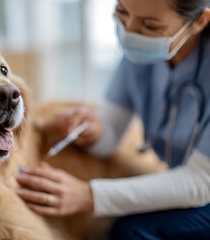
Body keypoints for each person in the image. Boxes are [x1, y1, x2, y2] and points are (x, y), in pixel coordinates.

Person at [16, 0, 210, 239]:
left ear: (199, 21)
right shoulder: (138, 57)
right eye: (121, 12)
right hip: (183, 177)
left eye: (149, 25)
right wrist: (94, 132)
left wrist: (90, 196)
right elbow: (110, 134)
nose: (129, 32)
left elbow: (201, 182)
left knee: (130, 230)